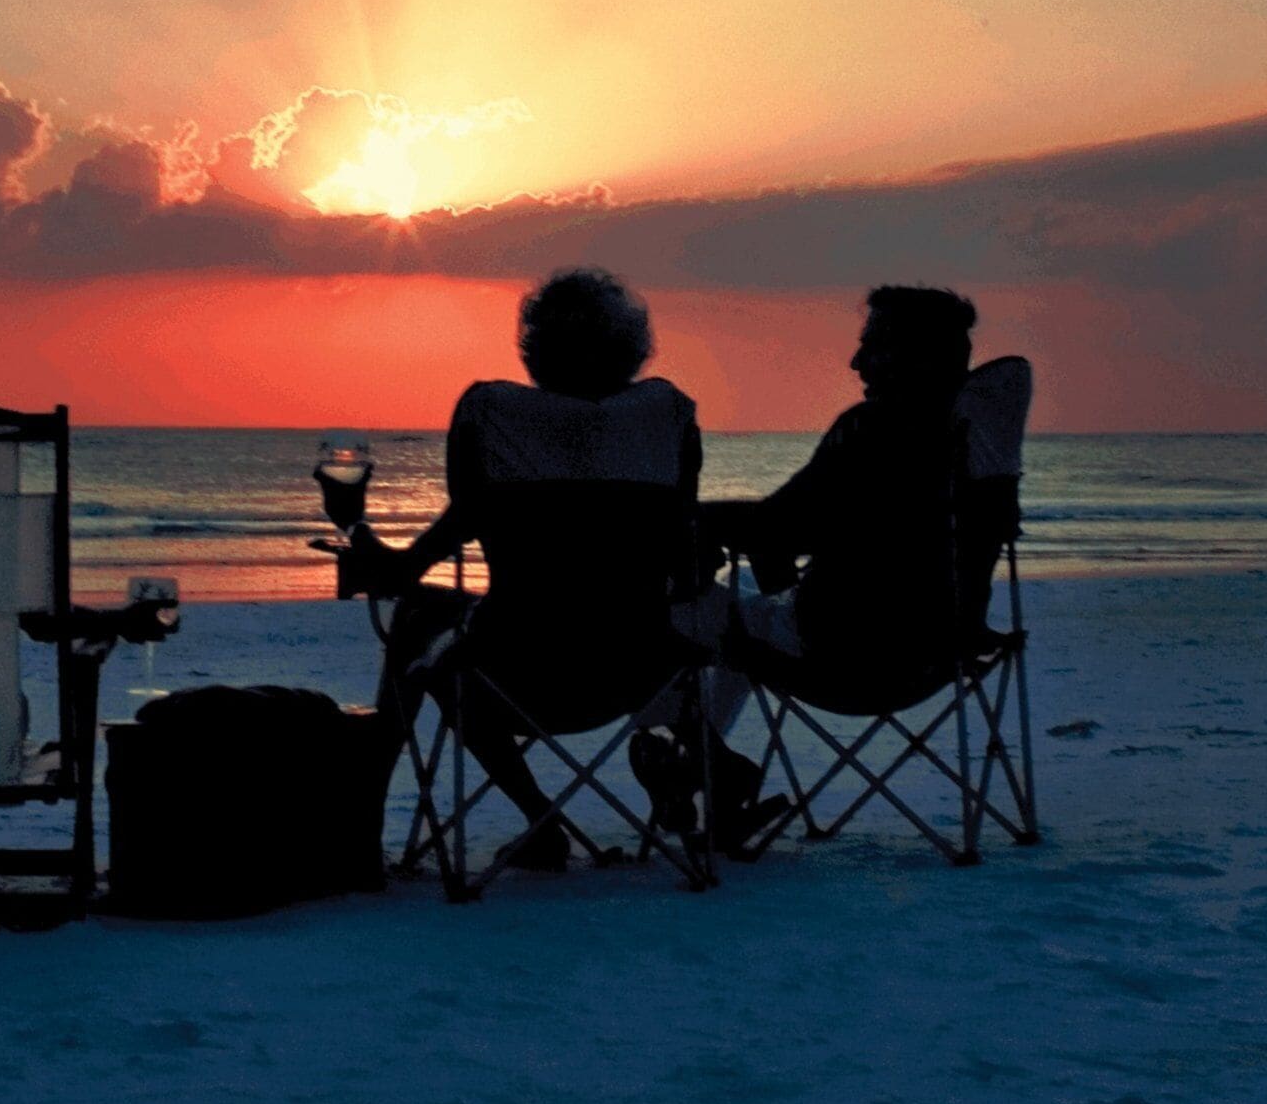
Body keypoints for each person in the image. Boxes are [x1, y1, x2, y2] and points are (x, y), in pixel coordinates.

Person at [333, 268, 712, 870]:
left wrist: (387, 560)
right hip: (634, 668)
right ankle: (662, 782)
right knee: (454, 633)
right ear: (632, 349)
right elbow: (683, 540)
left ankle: (380, 824)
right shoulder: (666, 416)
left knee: (419, 620)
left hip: (518, 670)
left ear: (534, 349)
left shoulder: (491, 413)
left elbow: (464, 520)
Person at [702, 286, 980, 707]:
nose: (856, 363)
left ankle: (690, 745)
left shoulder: (870, 431)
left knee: (701, 615)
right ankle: (700, 746)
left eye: (872, 347)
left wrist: (684, 520)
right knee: (742, 585)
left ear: (917, 358)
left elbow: (777, 527)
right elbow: (798, 525)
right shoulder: (967, 443)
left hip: (841, 653)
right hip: (937, 654)